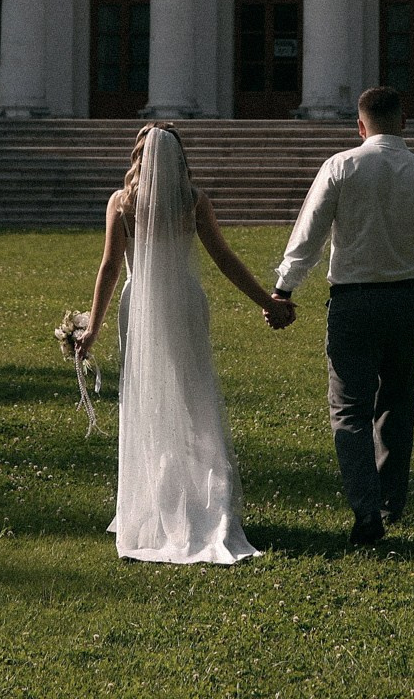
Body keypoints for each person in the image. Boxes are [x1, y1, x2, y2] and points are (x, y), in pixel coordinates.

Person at [79, 123, 295, 564]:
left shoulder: (122, 203)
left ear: (139, 158)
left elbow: (110, 268)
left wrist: (92, 328)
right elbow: (224, 259)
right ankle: (199, 503)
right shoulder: (193, 202)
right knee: (195, 399)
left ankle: (153, 505)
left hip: (140, 305)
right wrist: (267, 302)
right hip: (185, 303)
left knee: (145, 399)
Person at [270, 86, 414, 547]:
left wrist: (284, 288)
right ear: (404, 123)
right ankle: (388, 502)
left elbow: (309, 236)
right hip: (408, 300)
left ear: (359, 127)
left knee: (349, 410)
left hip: (353, 300)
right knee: (397, 406)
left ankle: (366, 510)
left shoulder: (340, 167)